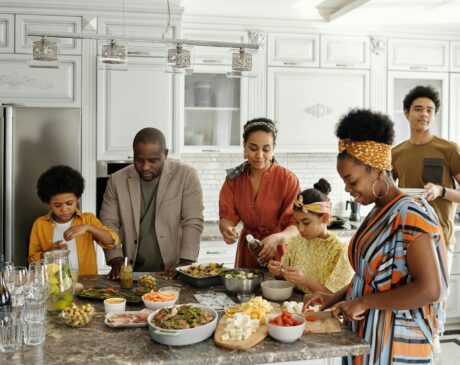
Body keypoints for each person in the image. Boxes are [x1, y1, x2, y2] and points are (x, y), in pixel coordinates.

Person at [305, 109, 448, 365]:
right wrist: (333, 298)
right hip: (368, 335)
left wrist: (364, 302)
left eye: (352, 181)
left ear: (378, 171)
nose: (348, 190)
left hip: (397, 343)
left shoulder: (411, 214)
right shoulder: (378, 211)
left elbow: (430, 289)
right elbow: (373, 278)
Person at [100, 127, 204, 280]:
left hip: (174, 270)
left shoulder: (186, 175)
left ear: (165, 154)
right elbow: (109, 223)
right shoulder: (116, 180)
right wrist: (115, 258)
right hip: (132, 272)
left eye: (153, 161)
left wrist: (185, 262)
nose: (145, 167)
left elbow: (193, 221)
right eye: (139, 160)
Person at [392, 85, 460, 273]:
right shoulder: (395, 153)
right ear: (406, 113)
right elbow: (387, 194)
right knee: (409, 299)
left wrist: (441, 190)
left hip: (440, 237)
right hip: (407, 237)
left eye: (429, 110)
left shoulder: (449, 149)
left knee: (437, 298)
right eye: (418, 109)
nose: (424, 114)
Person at [219, 117, 300, 269]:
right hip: (248, 251)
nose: (259, 155)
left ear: (274, 147)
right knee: (246, 292)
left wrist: (276, 238)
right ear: (244, 147)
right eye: (253, 148)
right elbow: (226, 217)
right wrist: (227, 230)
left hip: (279, 254)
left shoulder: (288, 179)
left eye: (266, 149)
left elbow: (296, 226)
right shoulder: (233, 179)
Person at [267, 178, 354, 294]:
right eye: (297, 222)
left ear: (324, 218)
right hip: (294, 307)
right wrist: (278, 272)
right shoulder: (297, 241)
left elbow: (336, 298)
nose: (300, 229)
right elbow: (286, 280)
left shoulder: (340, 251)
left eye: (306, 222)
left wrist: (306, 280)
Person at [28, 165, 119, 276]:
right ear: (48, 202)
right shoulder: (40, 224)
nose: (64, 209)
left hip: (86, 284)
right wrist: (49, 253)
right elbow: (32, 260)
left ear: (78, 198)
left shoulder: (88, 219)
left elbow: (111, 241)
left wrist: (88, 227)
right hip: (52, 284)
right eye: (57, 205)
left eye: (69, 203)